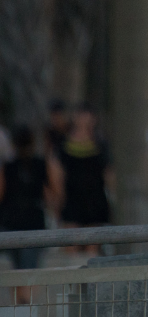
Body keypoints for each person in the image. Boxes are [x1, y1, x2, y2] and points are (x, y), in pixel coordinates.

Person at [0, 126, 62, 270]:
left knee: (16, 267)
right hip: (34, 221)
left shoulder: (8, 167)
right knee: (30, 267)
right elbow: (55, 193)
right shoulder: (41, 164)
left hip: (12, 222)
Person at [57, 109, 110, 253]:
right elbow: (58, 174)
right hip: (72, 201)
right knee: (71, 249)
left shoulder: (101, 144)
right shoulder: (64, 144)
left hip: (94, 202)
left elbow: (108, 172)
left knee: (92, 252)